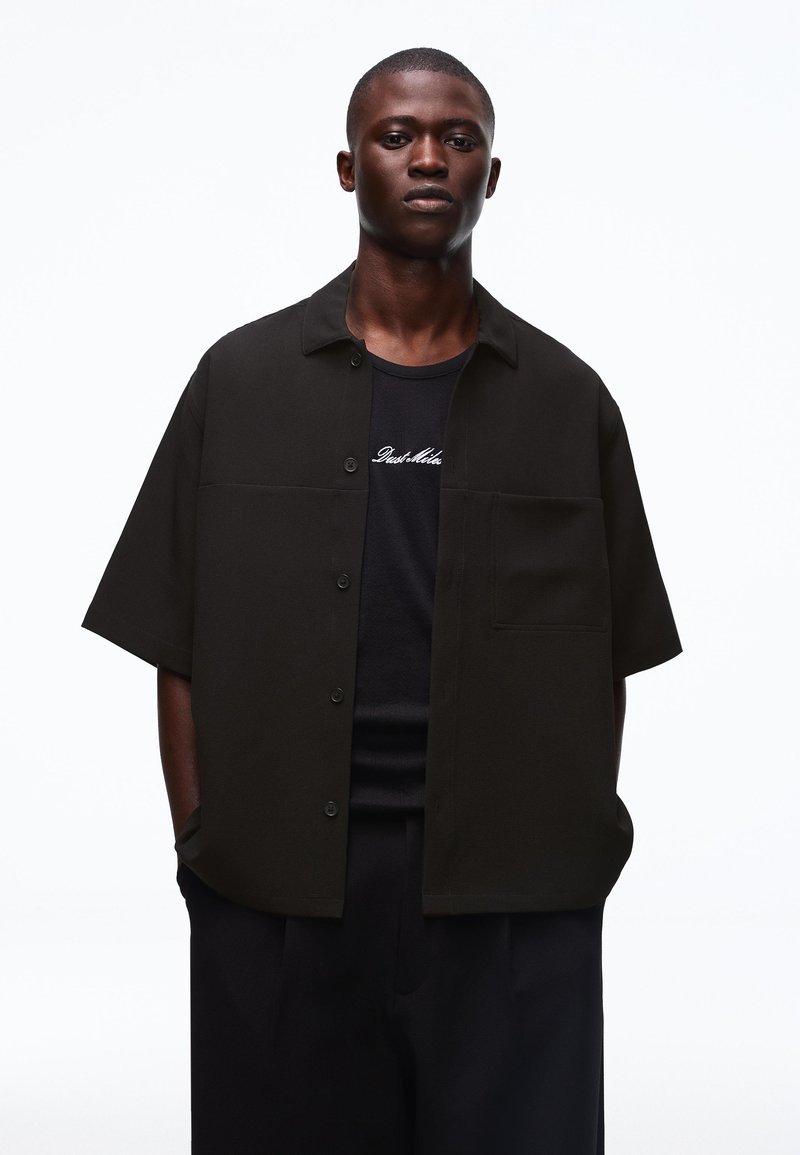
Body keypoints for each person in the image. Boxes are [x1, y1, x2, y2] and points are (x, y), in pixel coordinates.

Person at [82, 46, 683, 1155]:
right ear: (348, 167)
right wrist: (204, 846)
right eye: (397, 135)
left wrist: (576, 847)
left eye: (458, 138)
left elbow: (608, 653)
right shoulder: (240, 383)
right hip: (278, 895)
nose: (428, 158)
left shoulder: (566, 400)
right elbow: (176, 641)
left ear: (491, 175)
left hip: (511, 902)